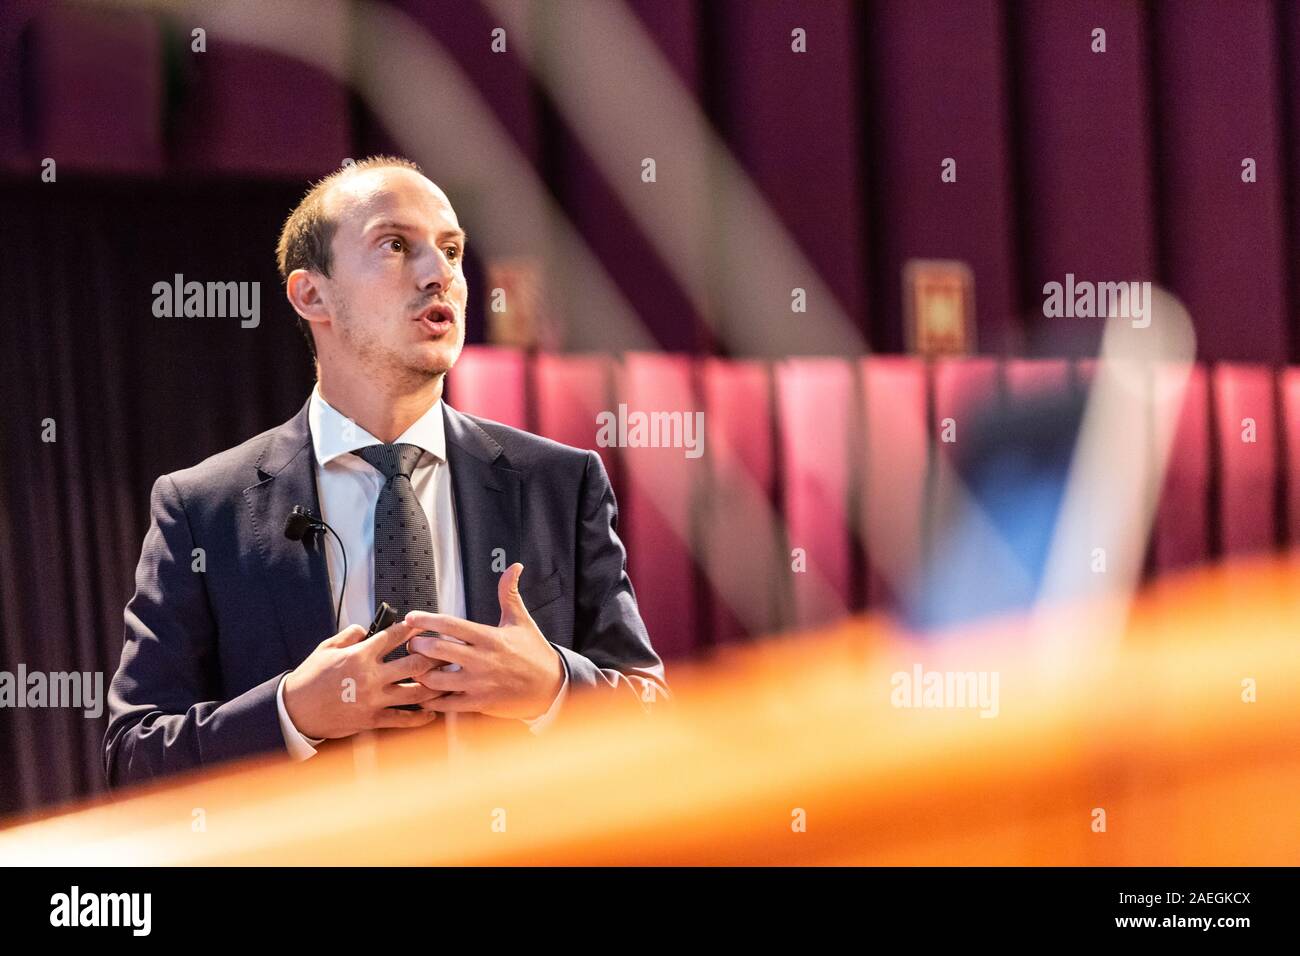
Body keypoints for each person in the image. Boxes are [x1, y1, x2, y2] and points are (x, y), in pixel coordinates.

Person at [104, 156, 669, 786]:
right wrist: (291, 713)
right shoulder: (201, 509)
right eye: (397, 245)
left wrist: (556, 688)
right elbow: (135, 758)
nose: (440, 275)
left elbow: (654, 719)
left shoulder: (560, 485)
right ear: (311, 293)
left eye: (451, 251)